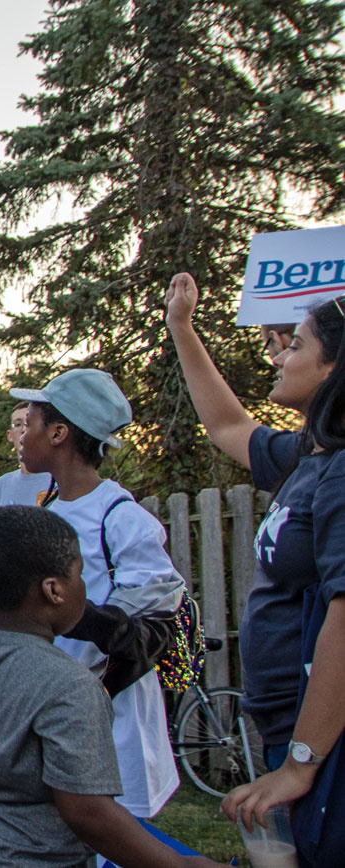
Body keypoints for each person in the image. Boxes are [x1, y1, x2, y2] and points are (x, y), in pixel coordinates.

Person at [0, 505, 222, 868]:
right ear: (54, 590)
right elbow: (88, 814)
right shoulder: (72, 686)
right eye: (79, 574)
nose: (83, 585)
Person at [164, 274, 345, 832]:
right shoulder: (306, 455)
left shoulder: (341, 472)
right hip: (289, 732)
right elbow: (226, 424)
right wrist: (181, 327)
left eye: (296, 346)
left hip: (323, 745)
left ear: (334, 369)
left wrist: (300, 762)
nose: (279, 357)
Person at [11, 369, 180, 819]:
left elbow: (152, 628)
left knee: (114, 843)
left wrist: (70, 613)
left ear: (60, 433)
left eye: (29, 424)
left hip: (114, 729)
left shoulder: (122, 519)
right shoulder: (46, 507)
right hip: (55, 717)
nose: (21, 436)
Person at [0, 402, 54, 507]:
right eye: (18, 424)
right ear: (9, 435)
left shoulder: (59, 481)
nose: (23, 430)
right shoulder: (2, 485)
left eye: (29, 423)